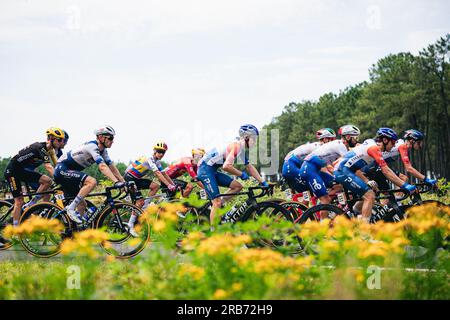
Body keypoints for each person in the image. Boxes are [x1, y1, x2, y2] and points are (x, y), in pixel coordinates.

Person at [334, 127, 417, 223]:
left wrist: (367, 181)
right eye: (393, 143)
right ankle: (364, 230)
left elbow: (384, 170)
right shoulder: (375, 149)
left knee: (371, 192)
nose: (394, 146)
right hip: (342, 170)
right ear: (385, 140)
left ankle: (355, 215)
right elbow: (386, 171)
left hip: (348, 170)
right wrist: (405, 185)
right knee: (369, 196)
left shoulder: (374, 146)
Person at [197, 124, 268, 227]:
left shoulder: (241, 149)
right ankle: (214, 234)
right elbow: (226, 166)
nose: (255, 141)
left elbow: (249, 167)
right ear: (246, 137)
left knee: (238, 186)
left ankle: (219, 205)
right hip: (205, 171)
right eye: (254, 138)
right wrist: (241, 174)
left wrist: (262, 181)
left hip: (212, 170)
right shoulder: (236, 147)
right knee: (216, 202)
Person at [54, 125, 125, 224]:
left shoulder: (103, 150)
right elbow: (102, 167)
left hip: (69, 172)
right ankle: (70, 208)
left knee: (82, 204)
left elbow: (111, 166)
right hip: (62, 169)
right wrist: (116, 182)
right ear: (101, 137)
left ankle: (77, 230)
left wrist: (123, 182)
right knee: (91, 182)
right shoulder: (92, 146)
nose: (113, 141)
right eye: (110, 138)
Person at [4, 127, 65, 227]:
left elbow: (57, 166)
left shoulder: (51, 151)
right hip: (12, 172)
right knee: (19, 202)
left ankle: (38, 214)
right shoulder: (40, 147)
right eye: (59, 140)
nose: (61, 142)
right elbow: (48, 167)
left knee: (47, 187)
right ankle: (15, 229)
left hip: (23, 171)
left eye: (62, 140)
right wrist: (59, 179)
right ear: (50, 138)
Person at [299, 125, 360, 212]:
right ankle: (323, 217)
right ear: (348, 137)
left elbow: (337, 166)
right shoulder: (341, 146)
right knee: (326, 200)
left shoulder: (339, 146)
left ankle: (327, 206)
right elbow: (349, 164)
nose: (356, 140)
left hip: (315, 170)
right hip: (309, 170)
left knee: (338, 186)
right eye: (355, 138)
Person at [361, 129, 437, 191]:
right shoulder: (402, 146)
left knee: (389, 192)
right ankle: (397, 202)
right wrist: (425, 179)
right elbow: (409, 168)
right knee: (403, 179)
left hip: (375, 165)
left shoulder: (400, 144)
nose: (420, 145)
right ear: (412, 141)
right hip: (372, 165)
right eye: (419, 142)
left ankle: (393, 203)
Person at [282, 128, 336, 194]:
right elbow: (325, 169)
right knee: (311, 191)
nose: (334, 142)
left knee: (308, 193)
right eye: (332, 139)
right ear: (325, 139)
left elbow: (329, 166)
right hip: (292, 167)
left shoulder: (318, 146)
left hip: (290, 166)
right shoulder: (319, 148)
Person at [124, 142, 178, 207]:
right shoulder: (149, 158)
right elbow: (158, 173)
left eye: (163, 152)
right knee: (139, 203)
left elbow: (164, 174)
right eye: (159, 151)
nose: (161, 154)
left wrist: (173, 185)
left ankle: (145, 207)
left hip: (136, 179)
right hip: (129, 177)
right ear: (155, 151)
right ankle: (136, 211)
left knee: (156, 186)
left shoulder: (157, 161)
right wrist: (169, 185)